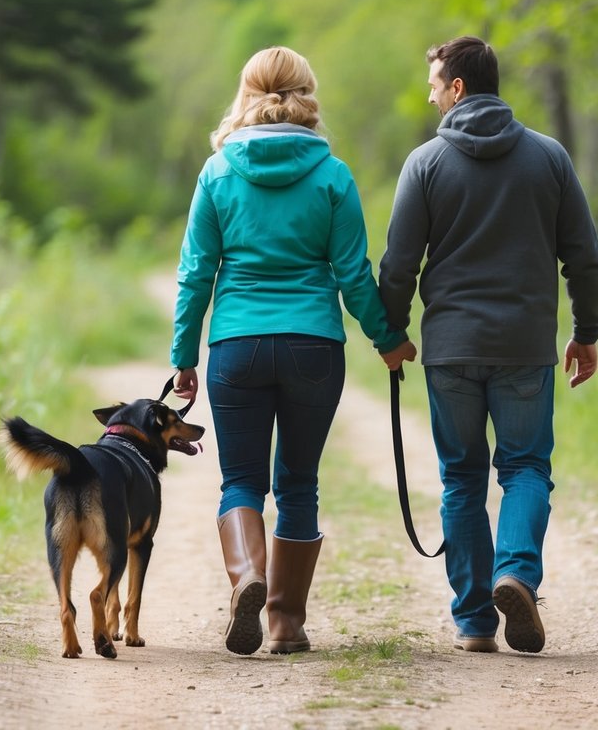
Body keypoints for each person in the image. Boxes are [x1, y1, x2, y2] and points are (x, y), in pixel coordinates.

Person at [170, 46, 417, 656]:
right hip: (313, 344)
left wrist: (184, 355)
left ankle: (247, 576)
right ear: (307, 94)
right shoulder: (332, 173)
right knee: (299, 483)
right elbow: (354, 273)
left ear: (246, 94)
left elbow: (196, 271)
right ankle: (284, 624)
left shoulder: (218, 171)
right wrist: (388, 339)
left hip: (236, 347)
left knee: (241, 481)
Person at [378, 36, 598, 654]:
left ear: (457, 88)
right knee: (526, 467)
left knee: (461, 480)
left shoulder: (424, 163)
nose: (429, 95)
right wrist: (587, 331)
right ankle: (516, 574)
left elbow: (399, 264)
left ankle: (475, 622)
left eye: (433, 84)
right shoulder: (550, 158)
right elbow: (583, 256)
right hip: (526, 346)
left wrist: (391, 332)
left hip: (450, 348)